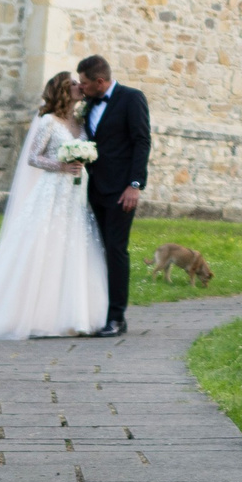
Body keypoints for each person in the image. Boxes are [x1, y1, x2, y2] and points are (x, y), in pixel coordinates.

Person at [0, 71, 113, 340]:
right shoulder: (48, 121)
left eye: (80, 84)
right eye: (74, 84)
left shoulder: (80, 120)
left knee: (75, 248)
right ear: (63, 91)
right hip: (53, 190)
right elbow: (33, 157)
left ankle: (75, 315)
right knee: (43, 246)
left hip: (76, 196)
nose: (81, 87)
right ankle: (32, 315)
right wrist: (61, 165)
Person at [76, 54, 150, 336]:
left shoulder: (132, 98)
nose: (81, 87)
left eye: (84, 83)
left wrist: (135, 184)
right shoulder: (89, 104)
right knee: (95, 250)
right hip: (92, 188)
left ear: (100, 81)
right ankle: (94, 311)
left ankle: (117, 318)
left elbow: (142, 141)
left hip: (121, 192)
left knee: (116, 250)